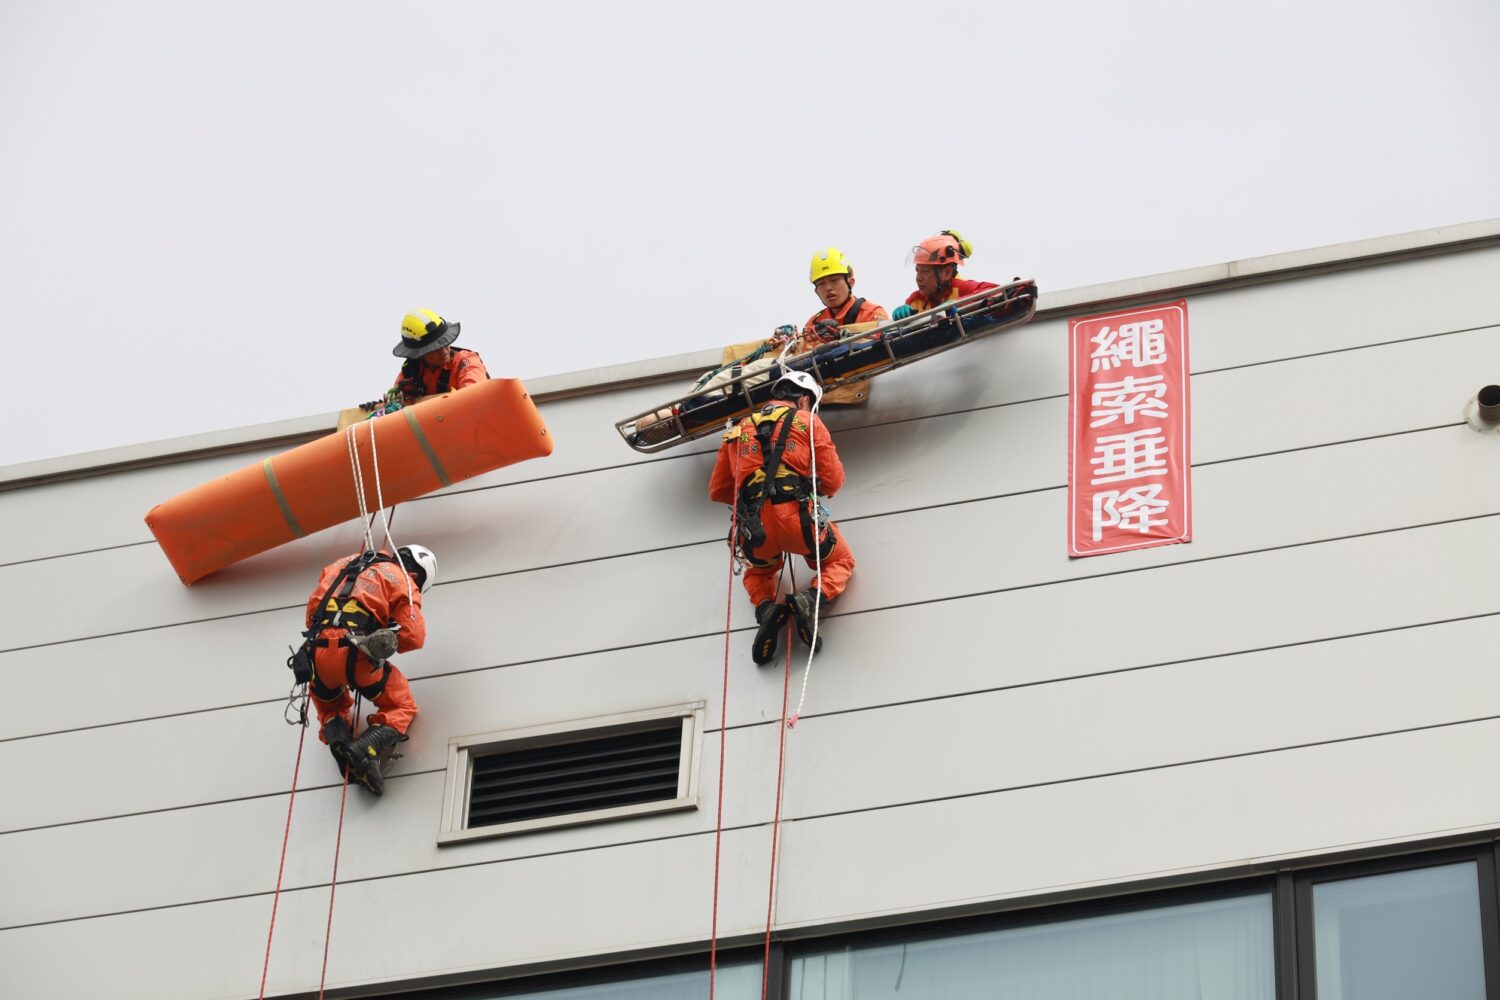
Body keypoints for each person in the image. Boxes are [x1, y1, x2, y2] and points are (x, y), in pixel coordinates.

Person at [708, 372, 855, 664]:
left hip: (755, 530)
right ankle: (810, 599)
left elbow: (719, 490)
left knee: (759, 572)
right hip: (798, 521)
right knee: (838, 560)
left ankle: (766, 609)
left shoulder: (738, 429)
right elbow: (834, 480)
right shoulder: (809, 421)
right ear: (803, 400)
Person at [302, 544, 437, 795]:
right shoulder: (401, 579)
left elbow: (312, 613)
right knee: (402, 705)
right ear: (416, 576)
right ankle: (365, 747)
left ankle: (338, 737)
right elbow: (413, 637)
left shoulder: (340, 564)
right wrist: (385, 633)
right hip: (355, 655)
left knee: (330, 706)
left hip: (315, 656)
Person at [891, 230, 1000, 319]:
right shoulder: (915, 300)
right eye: (917, 270)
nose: (919, 278)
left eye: (925, 271)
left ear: (947, 272)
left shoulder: (961, 288)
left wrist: (958, 303)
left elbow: (997, 291)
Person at [391, 309, 489, 406]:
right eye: (435, 348)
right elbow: (392, 407)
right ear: (420, 354)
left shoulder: (465, 361)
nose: (444, 351)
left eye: (445, 343)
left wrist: (417, 402)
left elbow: (474, 395)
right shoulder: (410, 372)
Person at [801, 247, 889, 347]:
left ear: (851, 282)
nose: (828, 288)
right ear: (816, 291)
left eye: (834, 280)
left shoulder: (872, 313)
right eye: (821, 284)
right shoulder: (813, 324)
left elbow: (883, 345)